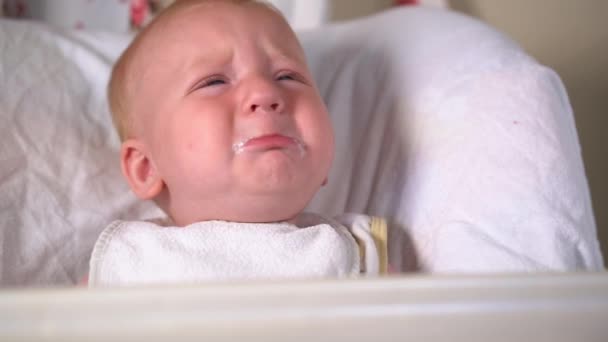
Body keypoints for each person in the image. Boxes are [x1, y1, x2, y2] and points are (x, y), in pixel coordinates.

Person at [87, 0, 388, 287]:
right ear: (146, 168)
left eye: (287, 76)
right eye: (214, 81)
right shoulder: (129, 262)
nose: (265, 93)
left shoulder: (356, 257)